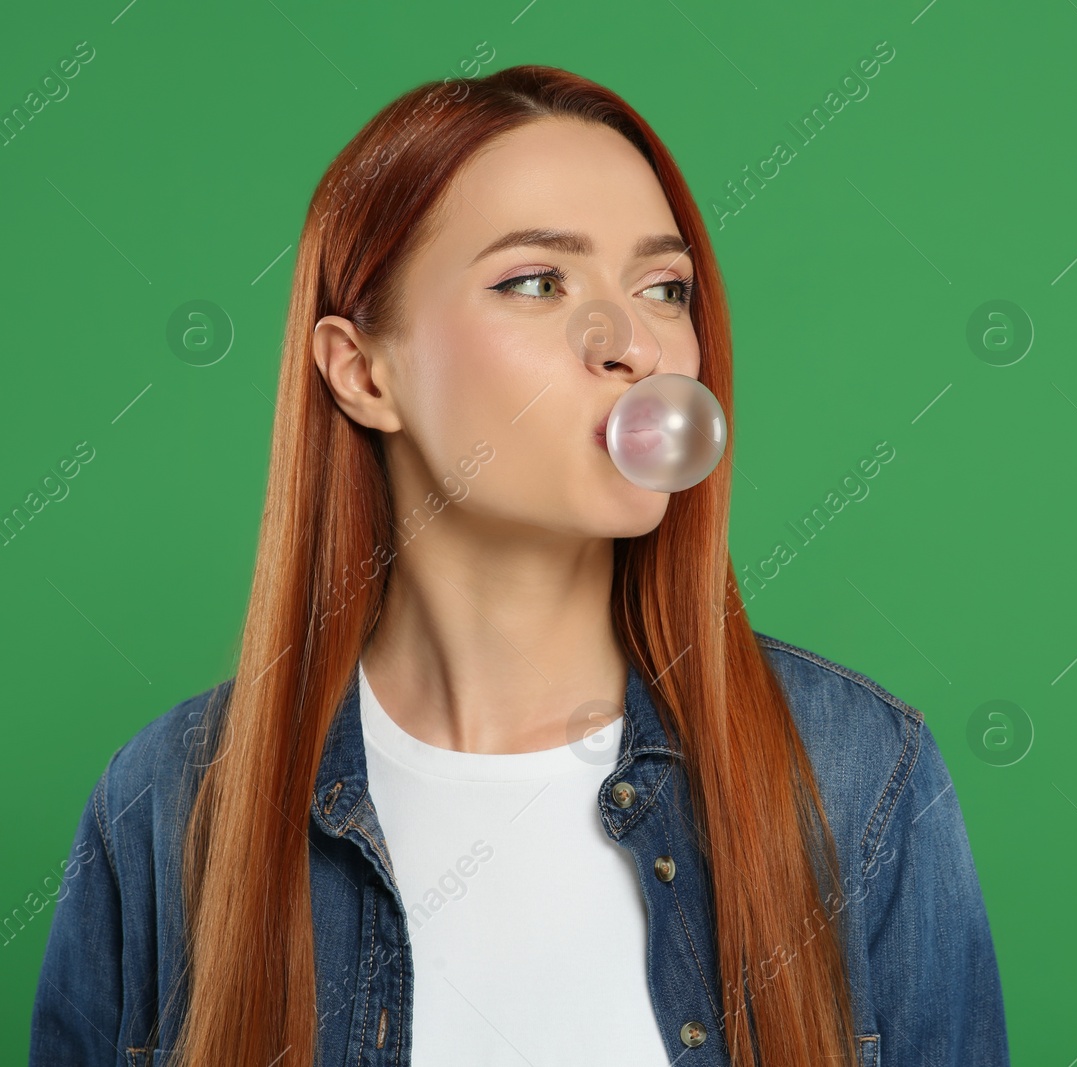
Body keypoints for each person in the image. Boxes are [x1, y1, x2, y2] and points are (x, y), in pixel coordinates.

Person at [28, 65, 1009, 1067]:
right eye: (538, 281)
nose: (633, 343)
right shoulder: (171, 800)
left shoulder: (856, 776)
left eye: (662, 287)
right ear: (364, 372)